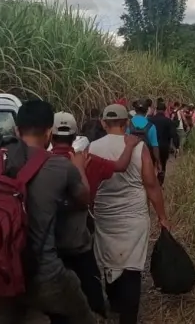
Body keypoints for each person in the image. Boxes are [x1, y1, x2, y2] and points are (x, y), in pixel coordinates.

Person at [0, 100, 96, 324]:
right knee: (82, 315)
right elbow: (84, 199)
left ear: (16, 130)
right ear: (49, 132)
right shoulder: (59, 167)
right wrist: (79, 166)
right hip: (45, 276)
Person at [49, 111, 142, 323]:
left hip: (50, 245)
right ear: (74, 137)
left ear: (51, 136)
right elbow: (120, 166)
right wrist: (129, 146)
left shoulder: (41, 163)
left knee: (58, 296)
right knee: (91, 287)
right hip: (79, 240)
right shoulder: (88, 160)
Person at [89, 104, 170, 324]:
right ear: (127, 124)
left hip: (105, 216)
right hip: (134, 215)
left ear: (103, 123)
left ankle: (114, 303)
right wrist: (162, 217)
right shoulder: (138, 147)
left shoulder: (91, 148)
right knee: (132, 266)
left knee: (109, 262)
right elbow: (152, 185)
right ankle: (128, 317)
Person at [148, 101, 179, 185]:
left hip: (151, 147)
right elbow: (174, 134)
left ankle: (151, 182)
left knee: (151, 164)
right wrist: (177, 146)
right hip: (164, 147)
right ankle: (160, 184)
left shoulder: (150, 120)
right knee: (163, 165)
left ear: (156, 110)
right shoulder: (168, 121)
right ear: (165, 110)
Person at [128, 100, 161, 170]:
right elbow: (155, 146)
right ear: (146, 111)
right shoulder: (151, 126)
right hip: (146, 159)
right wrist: (158, 162)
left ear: (135, 110)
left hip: (130, 159)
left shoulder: (128, 124)